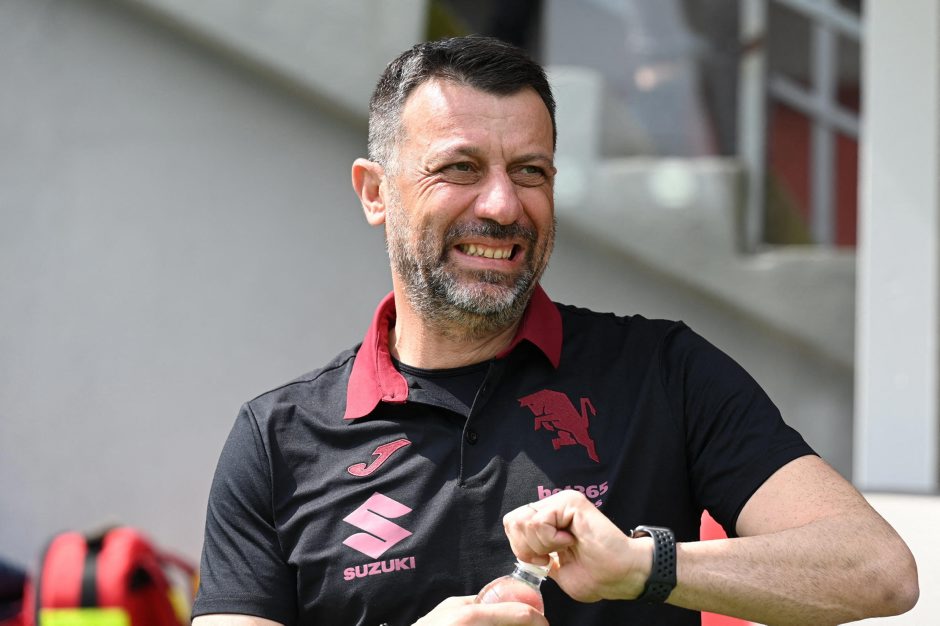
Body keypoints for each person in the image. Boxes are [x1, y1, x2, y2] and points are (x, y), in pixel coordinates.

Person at [191, 35, 918, 626]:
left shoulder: (663, 371)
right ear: (376, 192)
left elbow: (878, 570)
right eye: (461, 168)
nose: (503, 206)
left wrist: (643, 567)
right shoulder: (278, 439)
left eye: (530, 171)